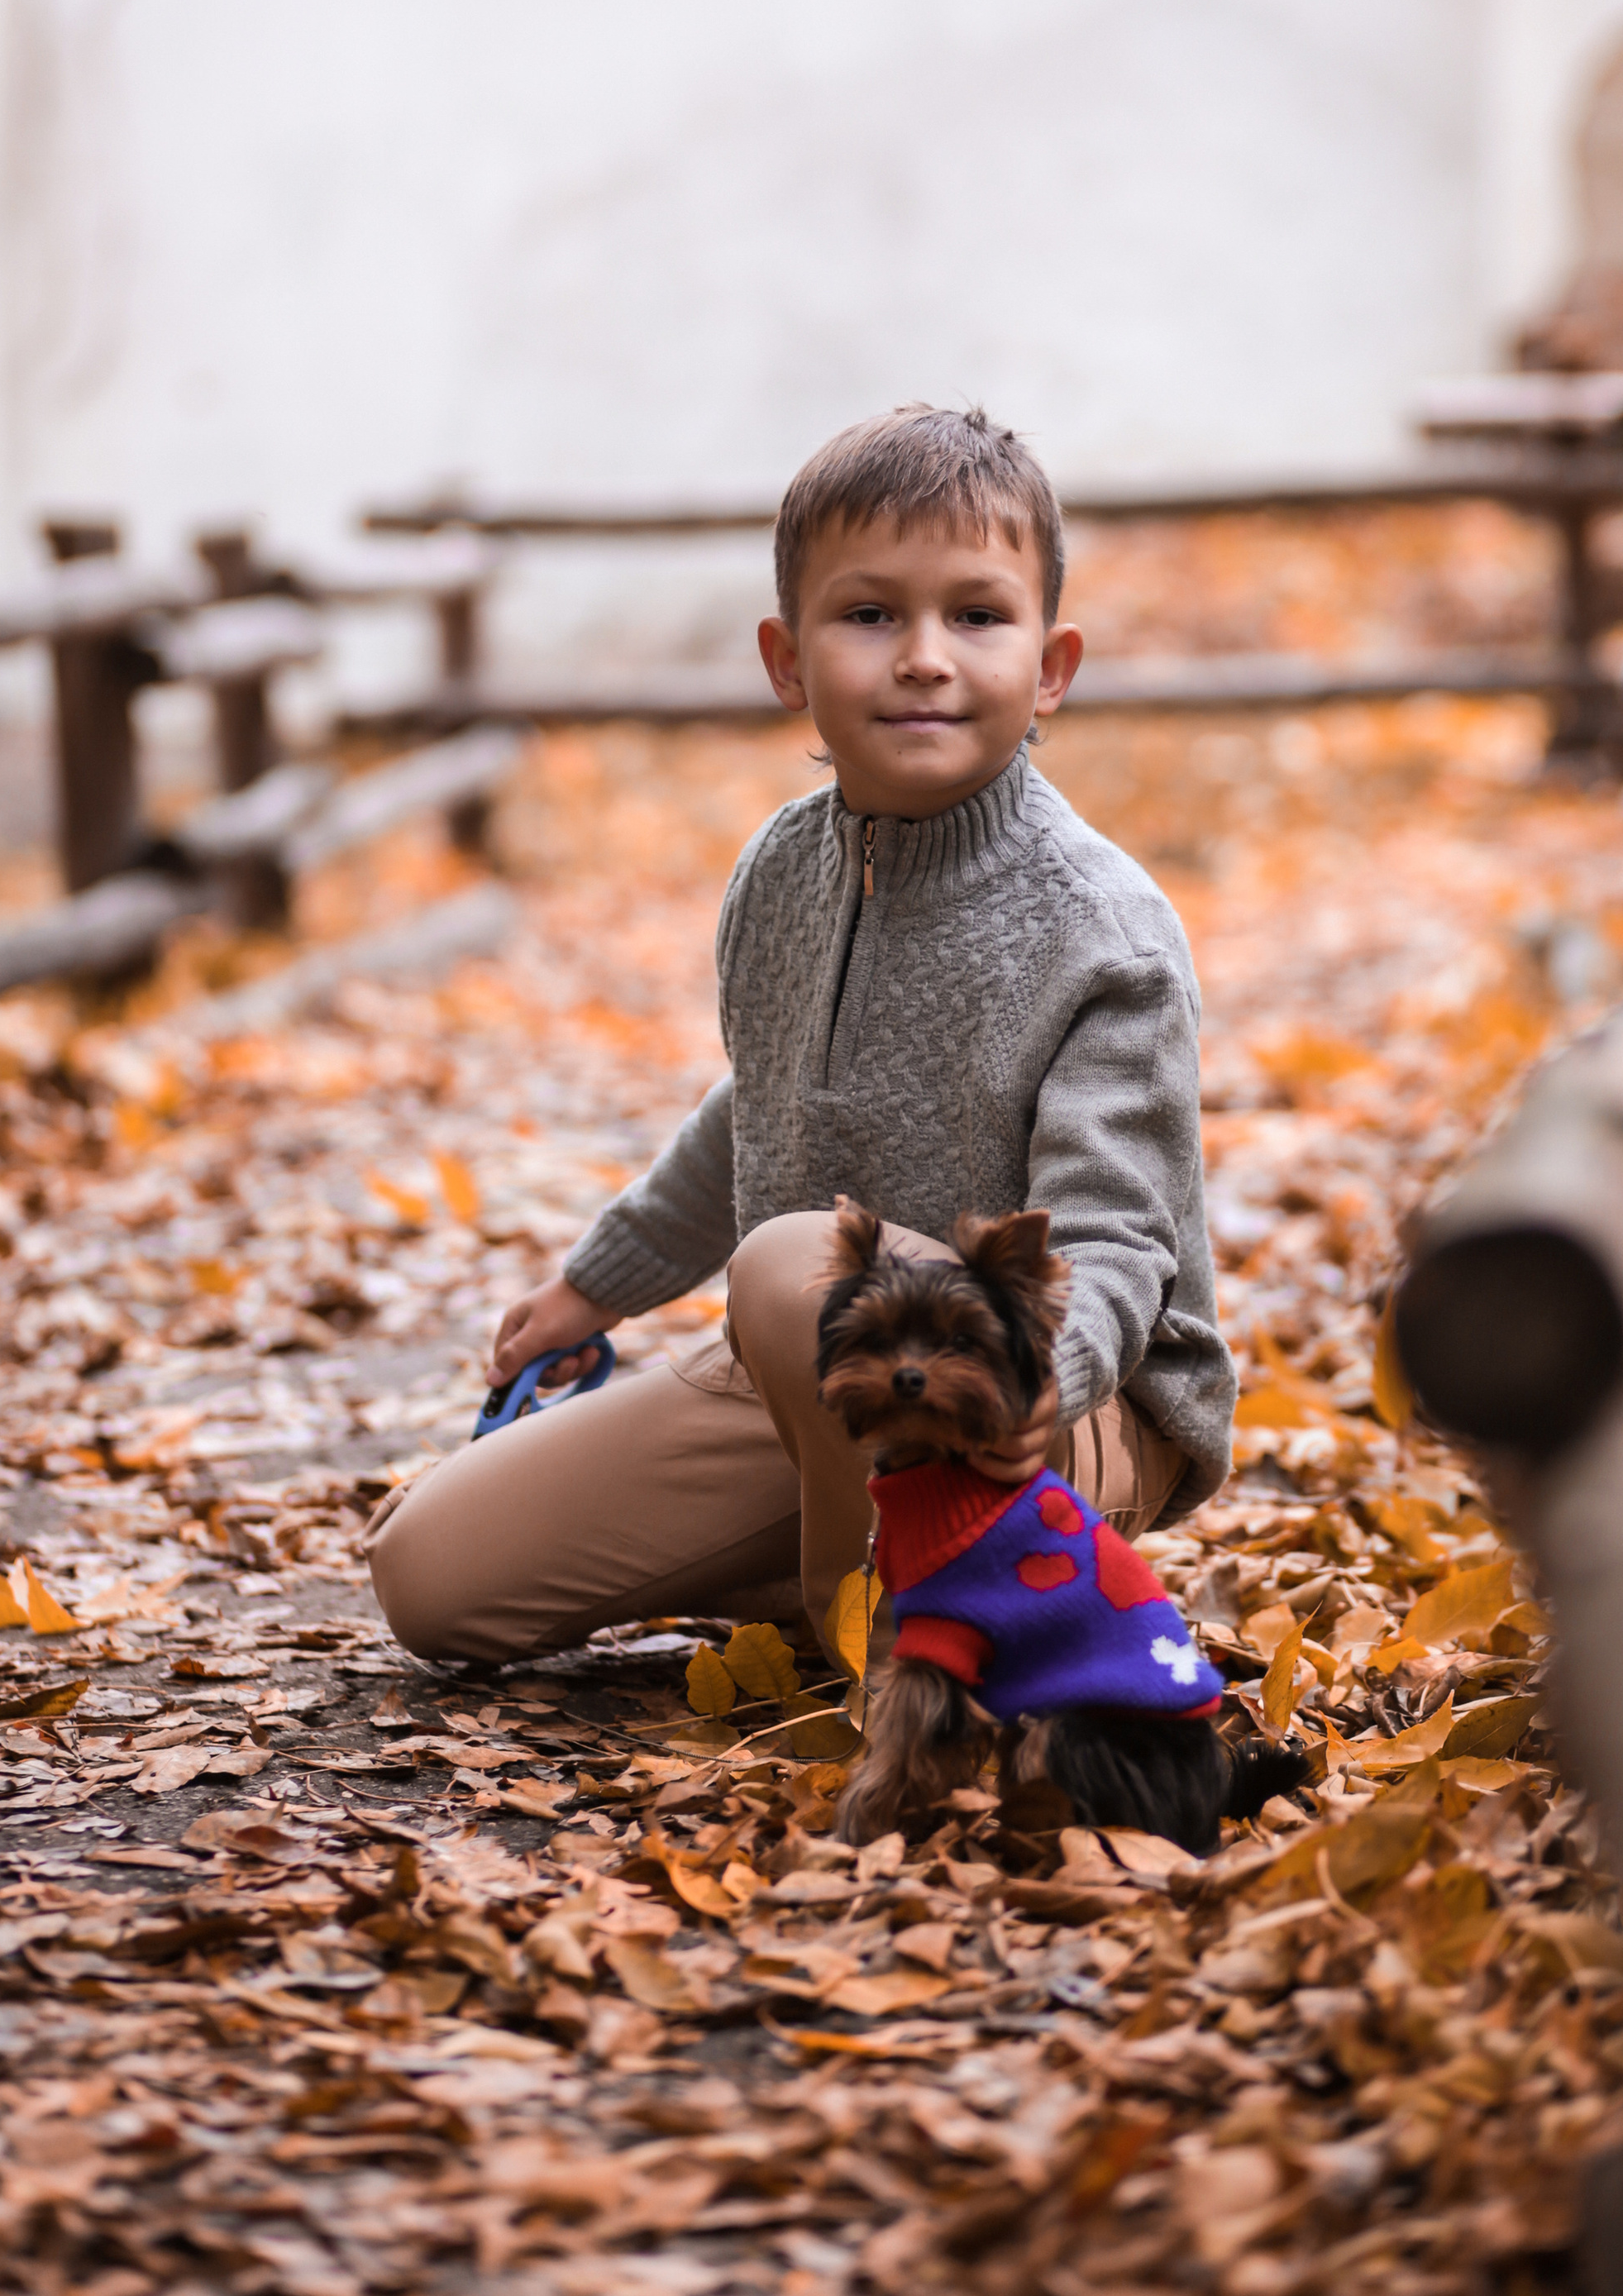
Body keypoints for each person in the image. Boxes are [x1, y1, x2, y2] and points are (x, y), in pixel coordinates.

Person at [365, 402, 1236, 1669]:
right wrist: (592, 1285)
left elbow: (1116, 1234)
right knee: (432, 1574)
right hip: (820, 1383)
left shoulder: (1103, 929)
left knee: (789, 1264)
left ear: (1052, 666)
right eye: (871, 614)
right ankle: (859, 1561)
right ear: (787, 661)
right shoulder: (781, 872)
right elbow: (758, 1110)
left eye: (978, 615)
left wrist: (1043, 1375)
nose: (925, 656)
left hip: (1049, 1410)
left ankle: (885, 1633)